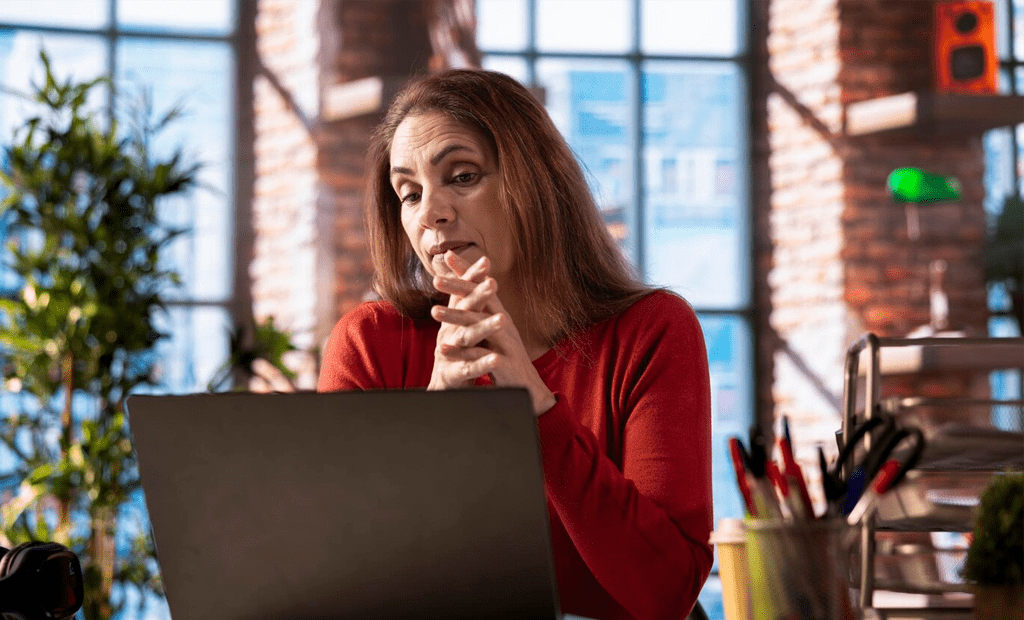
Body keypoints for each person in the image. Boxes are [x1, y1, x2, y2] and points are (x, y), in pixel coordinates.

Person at [318, 69, 713, 620]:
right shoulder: (368, 343)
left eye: (461, 176)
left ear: (536, 182)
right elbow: (339, 581)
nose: (431, 212)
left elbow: (666, 594)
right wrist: (430, 415)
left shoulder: (653, 331)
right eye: (409, 193)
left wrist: (536, 407)